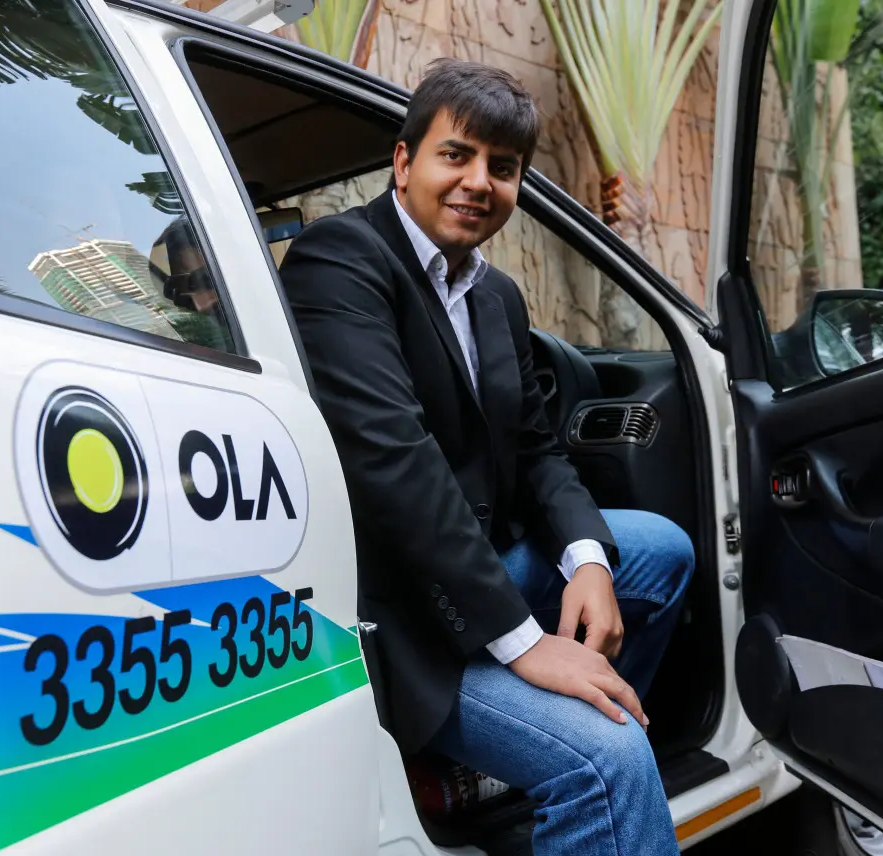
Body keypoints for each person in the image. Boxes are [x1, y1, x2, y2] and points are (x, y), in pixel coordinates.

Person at [278, 58, 695, 855]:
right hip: (401, 611)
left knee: (658, 554)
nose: (479, 182)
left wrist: (588, 563)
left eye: (503, 169)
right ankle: (579, 759)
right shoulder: (339, 260)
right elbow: (395, 463)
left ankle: (538, 751)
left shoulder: (495, 295)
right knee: (608, 759)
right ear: (403, 163)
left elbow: (538, 451)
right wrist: (530, 647)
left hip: (489, 568)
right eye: (455, 155)